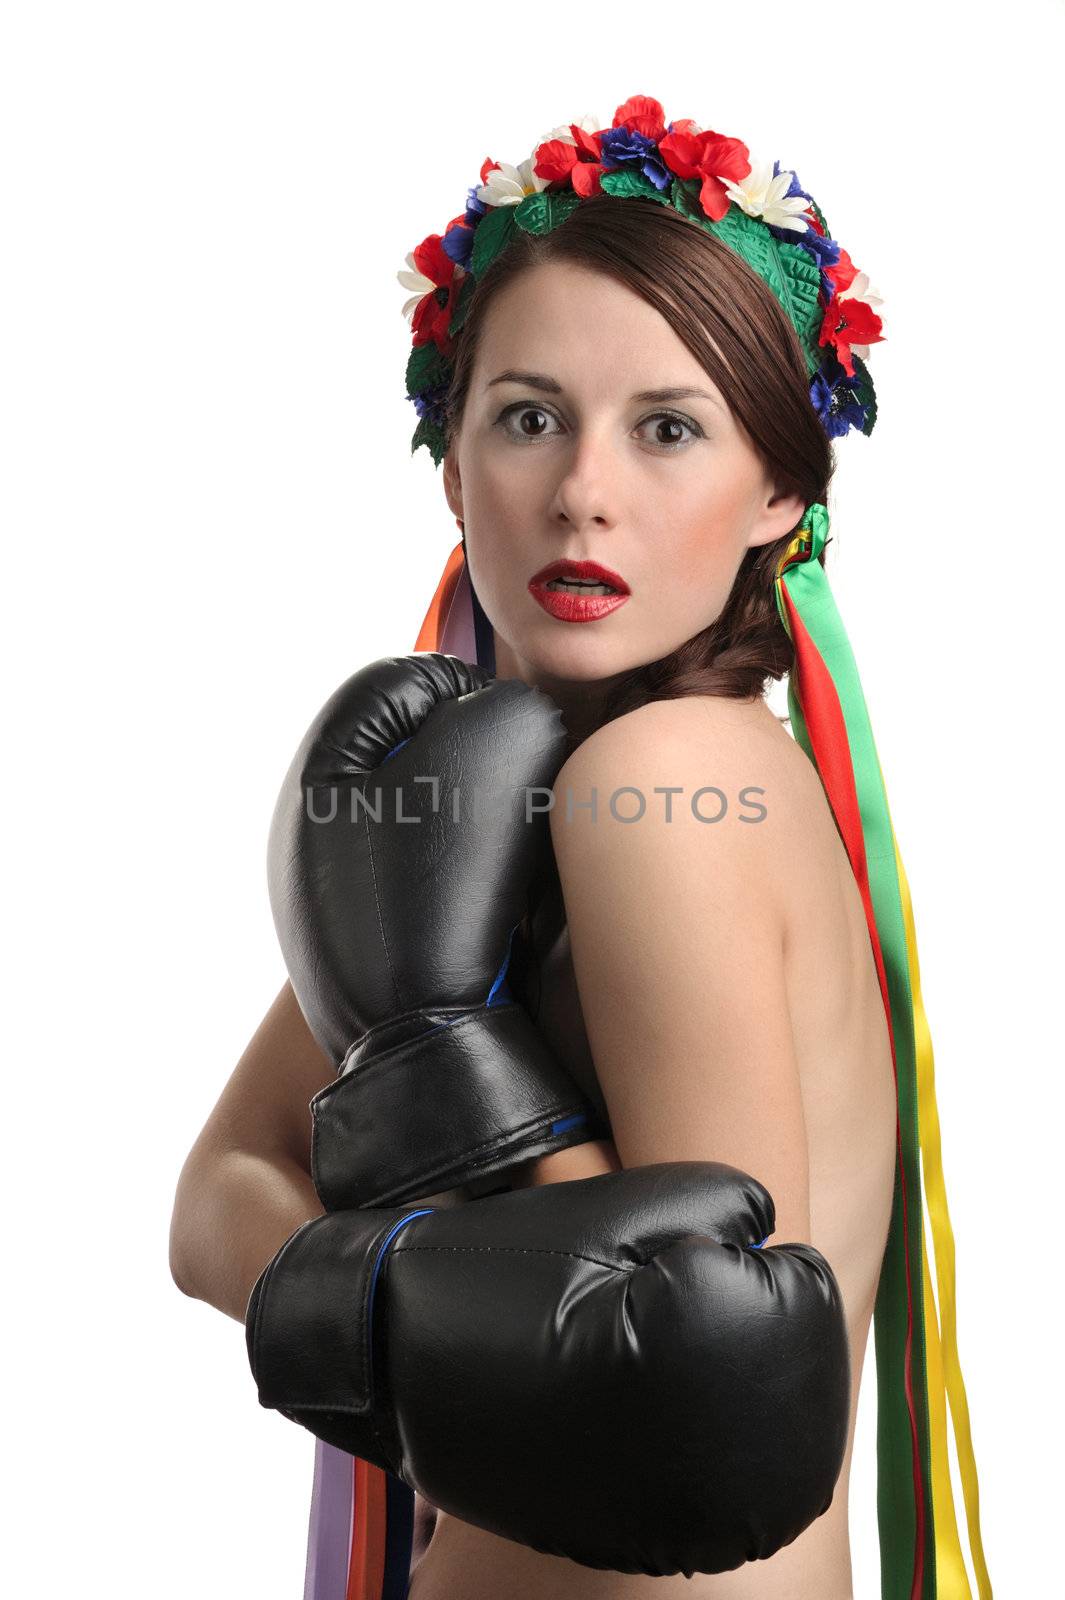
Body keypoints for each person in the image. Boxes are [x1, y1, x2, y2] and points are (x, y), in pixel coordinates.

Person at [169, 96, 991, 1600]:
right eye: (527, 416)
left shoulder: (661, 784)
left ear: (780, 492)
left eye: (666, 427)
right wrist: (426, 1103)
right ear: (451, 460)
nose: (579, 492)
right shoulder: (512, 806)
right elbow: (215, 1191)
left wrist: (439, 1093)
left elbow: (701, 1374)